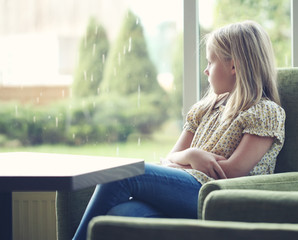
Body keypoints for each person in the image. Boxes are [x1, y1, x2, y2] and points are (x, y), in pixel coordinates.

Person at [72, 20, 286, 240]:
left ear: (234, 66)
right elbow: (170, 158)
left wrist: (184, 163)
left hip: (218, 197)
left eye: (210, 62)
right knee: (121, 214)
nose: (206, 70)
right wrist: (192, 156)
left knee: (122, 174)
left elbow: (232, 172)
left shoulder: (265, 112)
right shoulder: (205, 108)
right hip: (185, 191)